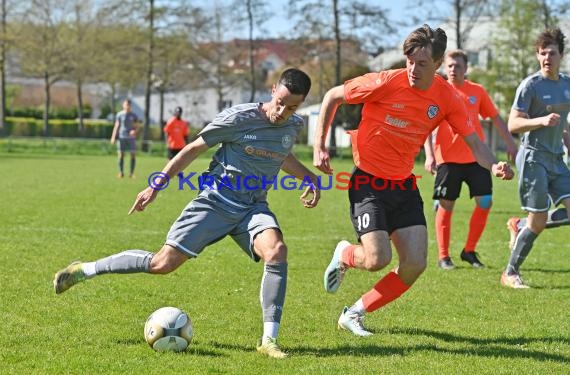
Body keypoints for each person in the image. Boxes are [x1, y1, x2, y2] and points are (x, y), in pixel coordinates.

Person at [54, 68, 318, 358]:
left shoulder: (293, 125)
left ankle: (269, 341)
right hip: (215, 201)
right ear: (272, 90)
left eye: (292, 106)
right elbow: (193, 149)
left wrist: (309, 177)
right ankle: (84, 270)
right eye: (280, 102)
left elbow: (281, 155)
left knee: (277, 250)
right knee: (162, 264)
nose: (282, 111)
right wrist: (156, 185)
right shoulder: (238, 118)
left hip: (253, 207)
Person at [313, 24, 514, 337]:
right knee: (377, 259)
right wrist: (319, 145)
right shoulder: (385, 81)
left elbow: (475, 144)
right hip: (369, 182)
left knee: (415, 263)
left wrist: (495, 164)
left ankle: (354, 313)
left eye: (421, 64)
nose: (412, 69)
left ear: (437, 65)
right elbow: (332, 96)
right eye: (409, 61)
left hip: (403, 184)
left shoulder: (447, 97)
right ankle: (345, 254)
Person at [423, 49, 518, 270]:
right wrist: (428, 155)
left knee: (485, 202)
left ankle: (469, 251)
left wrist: (512, 144)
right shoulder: (437, 91)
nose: (453, 69)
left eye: (458, 65)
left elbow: (495, 118)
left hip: (478, 158)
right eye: (450, 66)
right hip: (447, 159)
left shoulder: (477, 91)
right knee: (446, 205)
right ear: (444, 68)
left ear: (466, 69)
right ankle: (444, 257)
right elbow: (426, 126)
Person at [501, 28, 570, 289]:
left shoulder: (567, 85)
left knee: (539, 221)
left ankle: (520, 225)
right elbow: (512, 124)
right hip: (533, 159)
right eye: (542, 53)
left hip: (557, 160)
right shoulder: (530, 86)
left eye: (552, 53)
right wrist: (541, 120)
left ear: (561, 55)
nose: (546, 58)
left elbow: (565, 123)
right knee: (538, 223)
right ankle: (510, 272)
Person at [110, 99, 141, 178]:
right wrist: (113, 137)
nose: (127, 106)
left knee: (133, 155)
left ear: (131, 106)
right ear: (123, 105)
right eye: (126, 104)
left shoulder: (134, 115)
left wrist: (134, 131)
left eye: (129, 105)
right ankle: (121, 172)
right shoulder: (119, 115)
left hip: (131, 138)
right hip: (122, 137)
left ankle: (131, 173)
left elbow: (138, 127)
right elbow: (117, 126)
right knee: (121, 155)